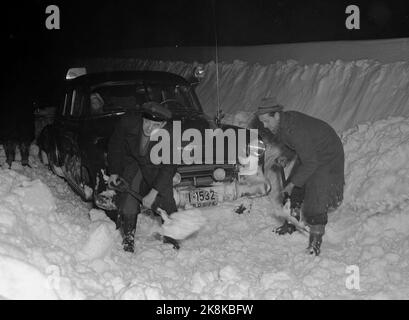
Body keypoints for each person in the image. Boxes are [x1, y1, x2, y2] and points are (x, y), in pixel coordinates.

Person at [256, 97, 345, 256]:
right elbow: (295, 145)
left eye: (266, 121)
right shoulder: (282, 125)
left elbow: (310, 162)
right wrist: (287, 155)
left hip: (327, 154)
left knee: (316, 196)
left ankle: (315, 243)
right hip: (313, 153)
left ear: (276, 115)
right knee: (293, 185)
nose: (264, 125)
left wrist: (293, 184)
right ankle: (291, 223)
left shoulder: (293, 128)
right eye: (261, 121)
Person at [107, 101, 177, 253]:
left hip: (155, 167)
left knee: (166, 200)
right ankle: (128, 237)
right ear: (142, 118)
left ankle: (172, 239)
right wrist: (114, 171)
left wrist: (153, 192)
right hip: (133, 162)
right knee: (129, 200)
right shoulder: (128, 122)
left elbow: (168, 168)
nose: (148, 128)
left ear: (164, 124)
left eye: (155, 125)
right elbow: (115, 144)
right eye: (146, 122)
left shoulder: (171, 135)